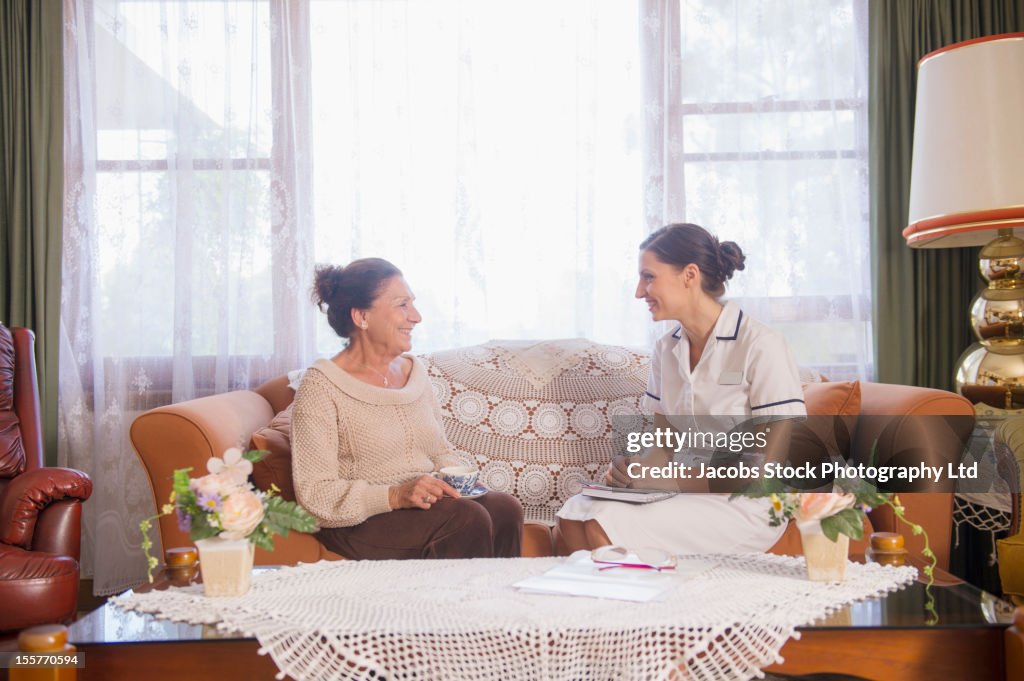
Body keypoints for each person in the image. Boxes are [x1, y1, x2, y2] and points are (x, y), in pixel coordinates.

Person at [557, 223, 807, 554]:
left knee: (602, 520)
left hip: (749, 504)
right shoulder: (666, 349)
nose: (638, 291)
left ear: (689, 275)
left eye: (648, 277)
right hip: (685, 495)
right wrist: (634, 471)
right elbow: (664, 448)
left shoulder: (762, 345)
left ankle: (637, 600)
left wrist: (668, 480)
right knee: (575, 512)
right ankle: (613, 600)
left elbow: (763, 471)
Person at [292, 257, 523, 559]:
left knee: (504, 508)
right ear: (361, 316)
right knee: (467, 518)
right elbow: (315, 494)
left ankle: (497, 603)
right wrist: (395, 495)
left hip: (421, 507)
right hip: (358, 520)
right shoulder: (321, 386)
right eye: (402, 305)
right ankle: (458, 606)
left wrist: (458, 481)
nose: (416, 316)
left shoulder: (414, 372)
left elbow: (438, 448)